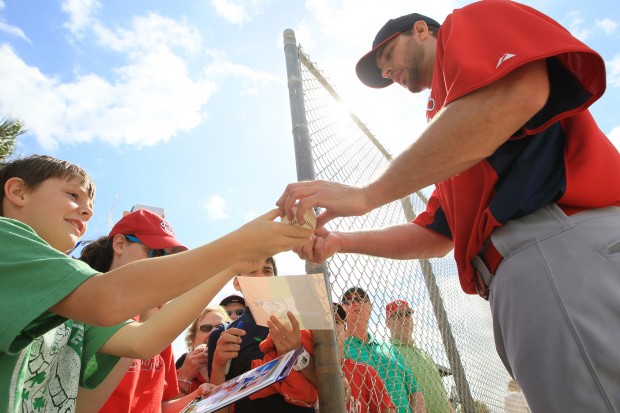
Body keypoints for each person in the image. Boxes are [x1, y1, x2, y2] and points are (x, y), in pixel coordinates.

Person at [276, 2, 620, 411]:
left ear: (421, 30)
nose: (388, 73)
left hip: (554, 244)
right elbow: (437, 235)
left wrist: (365, 195)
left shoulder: (463, 25)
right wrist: (340, 242)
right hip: (535, 263)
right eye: (384, 72)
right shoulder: (453, 138)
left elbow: (519, 92)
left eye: (388, 57)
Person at [0, 155, 312, 412]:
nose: (86, 209)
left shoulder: (79, 304)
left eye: (90, 204)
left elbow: (142, 343)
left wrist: (231, 264)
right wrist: (238, 244)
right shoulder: (6, 237)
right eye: (72, 195)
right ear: (18, 191)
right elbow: (107, 298)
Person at [77, 209, 218, 412]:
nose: (162, 264)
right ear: (119, 244)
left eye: (170, 259)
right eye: (156, 253)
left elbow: (159, 404)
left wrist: (198, 396)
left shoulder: (158, 323)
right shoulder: (83, 310)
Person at [207, 257, 318, 412]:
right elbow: (218, 409)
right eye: (252, 272)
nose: (261, 278)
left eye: (267, 271)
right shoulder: (222, 336)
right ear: (237, 282)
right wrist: (218, 365)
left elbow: (328, 384)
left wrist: (297, 354)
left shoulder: (300, 321)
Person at [341, 288, 424, 413]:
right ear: (342, 309)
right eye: (348, 301)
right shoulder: (340, 347)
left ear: (371, 307)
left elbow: (414, 390)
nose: (355, 303)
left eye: (360, 299)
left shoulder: (389, 348)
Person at [385, 300, 452, 413]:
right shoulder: (388, 353)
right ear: (387, 323)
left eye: (407, 314)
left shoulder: (424, 353)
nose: (404, 318)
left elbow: (441, 389)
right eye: (398, 315)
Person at [333, 302, 395, 413]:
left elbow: (386, 409)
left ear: (346, 334)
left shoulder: (364, 372)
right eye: (325, 323)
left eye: (336, 322)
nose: (330, 327)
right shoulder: (301, 367)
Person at [175, 306, 231, 394]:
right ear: (193, 340)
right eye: (206, 328)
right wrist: (184, 377)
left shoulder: (240, 368)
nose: (213, 332)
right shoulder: (173, 377)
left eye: (220, 327)